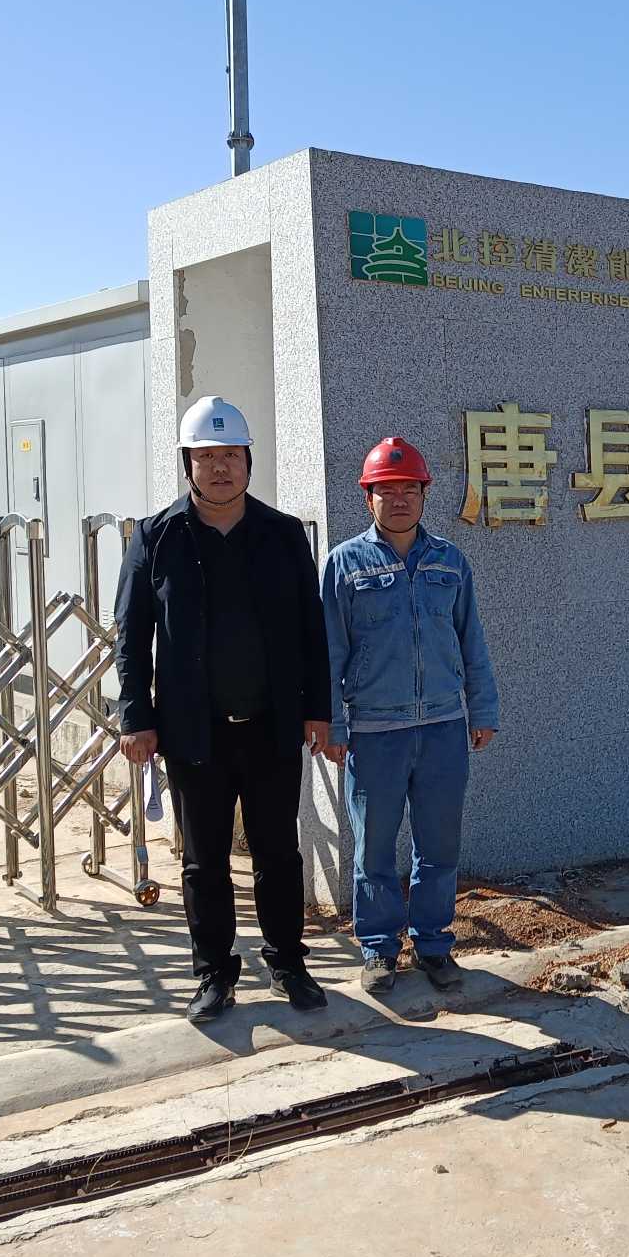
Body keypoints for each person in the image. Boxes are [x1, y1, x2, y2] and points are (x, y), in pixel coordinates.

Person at [114, 396, 332, 1023]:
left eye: (230, 455)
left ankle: (288, 963)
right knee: (204, 861)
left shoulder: (283, 535)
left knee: (278, 854)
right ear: (188, 463)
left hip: (271, 727)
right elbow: (131, 634)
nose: (219, 468)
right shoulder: (156, 537)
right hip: (193, 732)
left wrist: (318, 710)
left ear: (248, 462)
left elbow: (311, 631)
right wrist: (136, 715)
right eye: (206, 457)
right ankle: (213, 973)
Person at [320, 437, 499, 994]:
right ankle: (378, 949)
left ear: (424, 495)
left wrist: (482, 709)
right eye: (386, 491)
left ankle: (434, 944)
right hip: (375, 732)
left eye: (409, 490)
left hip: (443, 726)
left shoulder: (451, 561)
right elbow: (329, 652)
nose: (399, 500)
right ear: (367, 498)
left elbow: (472, 642)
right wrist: (333, 724)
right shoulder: (345, 564)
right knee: (374, 848)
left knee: (439, 846)